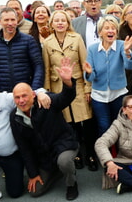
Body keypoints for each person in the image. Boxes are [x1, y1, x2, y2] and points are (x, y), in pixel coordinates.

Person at [10, 57, 79, 200]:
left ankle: (71, 184)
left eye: (24, 96)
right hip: (44, 157)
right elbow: (24, 148)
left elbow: (66, 97)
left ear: (33, 95)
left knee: (64, 161)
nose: (21, 100)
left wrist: (67, 82)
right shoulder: (14, 117)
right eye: (17, 97)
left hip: (63, 146)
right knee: (35, 192)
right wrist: (33, 174)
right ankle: (56, 172)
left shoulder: (46, 101)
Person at [42, 10, 98, 171]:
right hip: (58, 88)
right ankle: (77, 153)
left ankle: (90, 154)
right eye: (57, 20)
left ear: (68, 23)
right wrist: (47, 93)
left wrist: (88, 89)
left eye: (63, 20)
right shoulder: (47, 43)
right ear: (51, 24)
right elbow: (46, 69)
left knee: (86, 122)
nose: (60, 23)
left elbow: (85, 64)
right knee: (69, 124)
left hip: (78, 85)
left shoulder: (77, 38)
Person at [83, 15, 132, 136]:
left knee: (119, 125)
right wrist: (89, 72)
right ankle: (105, 153)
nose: (111, 31)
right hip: (99, 95)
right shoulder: (92, 49)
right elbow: (90, 77)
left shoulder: (121, 45)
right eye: (107, 28)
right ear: (100, 32)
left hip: (118, 94)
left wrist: (127, 52)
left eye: (113, 28)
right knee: (104, 126)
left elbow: (131, 66)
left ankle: (120, 152)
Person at [0, 7, 44, 92]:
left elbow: (38, 66)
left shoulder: (29, 40)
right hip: (3, 92)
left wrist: (35, 89)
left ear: (17, 21)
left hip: (26, 91)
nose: (10, 23)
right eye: (6, 20)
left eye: (13, 20)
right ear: (0, 22)